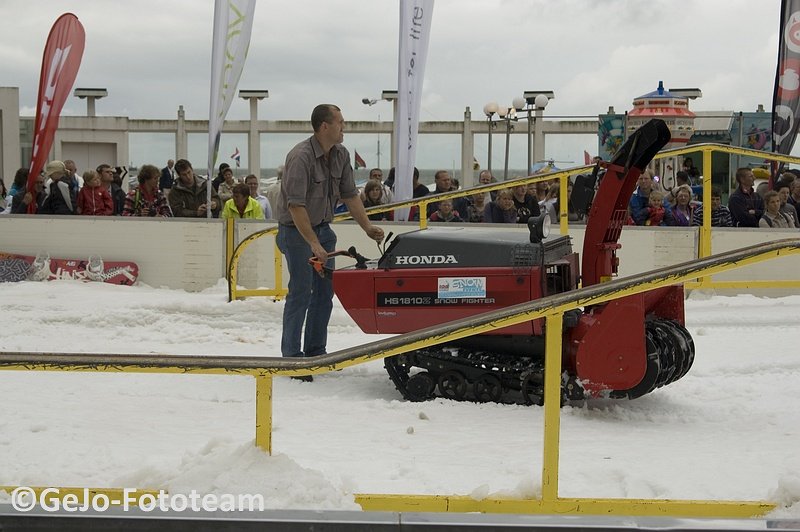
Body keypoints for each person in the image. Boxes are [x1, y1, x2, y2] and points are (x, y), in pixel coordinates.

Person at [276, 104, 384, 369]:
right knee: (301, 291)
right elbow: (295, 206)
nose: (344, 127)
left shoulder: (341, 154)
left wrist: (368, 228)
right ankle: (292, 358)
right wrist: (313, 242)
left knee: (324, 293)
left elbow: (349, 195)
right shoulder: (300, 157)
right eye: (340, 123)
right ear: (325, 126)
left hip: (324, 230)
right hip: (296, 232)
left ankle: (315, 353)